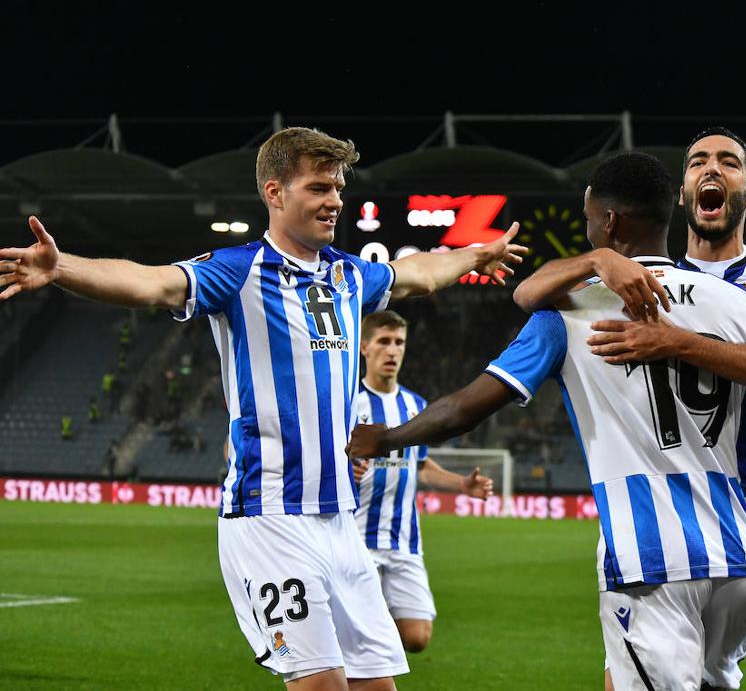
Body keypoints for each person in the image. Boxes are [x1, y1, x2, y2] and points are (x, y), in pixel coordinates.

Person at [0, 126, 525, 691]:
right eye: (320, 188)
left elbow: (418, 273)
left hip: (342, 520)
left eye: (339, 188)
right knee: (319, 685)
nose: (335, 202)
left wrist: (478, 252)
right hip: (270, 515)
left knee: (377, 687)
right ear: (275, 193)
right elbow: (153, 284)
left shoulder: (349, 275)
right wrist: (61, 269)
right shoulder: (239, 270)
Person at [348, 152, 746, 691]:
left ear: (608, 222)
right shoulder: (742, 306)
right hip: (736, 551)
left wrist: (385, 438)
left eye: (590, 219)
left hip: (649, 552)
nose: (588, 230)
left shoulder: (571, 312)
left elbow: (464, 408)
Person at [513, 128, 746, 691]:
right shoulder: (631, 276)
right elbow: (528, 292)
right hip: (670, 504)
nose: (712, 170)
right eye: (697, 162)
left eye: (730, 163)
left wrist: (675, 342)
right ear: (682, 195)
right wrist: (597, 258)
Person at [351, 309, 494, 654]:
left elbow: (421, 465)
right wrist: (343, 469)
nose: (392, 350)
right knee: (364, 639)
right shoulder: (347, 403)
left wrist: (462, 485)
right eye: (384, 342)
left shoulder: (415, 406)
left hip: (404, 541)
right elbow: (323, 459)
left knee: (417, 636)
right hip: (355, 539)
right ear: (364, 348)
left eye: (399, 342)